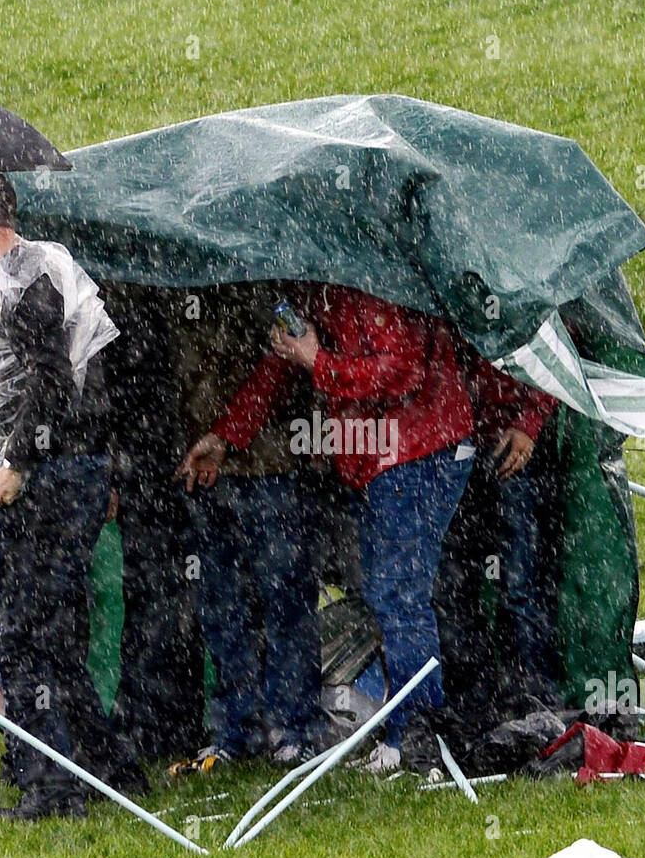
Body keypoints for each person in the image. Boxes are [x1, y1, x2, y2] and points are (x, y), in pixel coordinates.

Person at [0, 167, 147, 821]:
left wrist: (15, 462)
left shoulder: (23, 279)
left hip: (43, 480)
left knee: (22, 637)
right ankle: (107, 768)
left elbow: (51, 380)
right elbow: (8, 350)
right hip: (64, 472)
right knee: (53, 633)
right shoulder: (20, 274)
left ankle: (51, 788)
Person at [178, 283, 475, 771]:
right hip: (384, 454)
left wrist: (318, 361)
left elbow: (400, 371)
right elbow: (281, 364)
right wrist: (229, 434)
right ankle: (412, 732)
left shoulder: (372, 281)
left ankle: (416, 739)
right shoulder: (317, 283)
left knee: (398, 595)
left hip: (419, 449)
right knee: (393, 594)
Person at [170, 283, 321, 771]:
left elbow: (281, 367)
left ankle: (291, 725)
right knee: (221, 604)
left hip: (270, 464)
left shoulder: (269, 269)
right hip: (205, 465)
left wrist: (228, 435)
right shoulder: (178, 272)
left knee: (284, 599)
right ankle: (238, 728)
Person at [434, 345, 561, 717]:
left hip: (508, 445)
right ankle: (474, 705)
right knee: (455, 586)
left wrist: (528, 422)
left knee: (519, 587)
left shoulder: (522, 294)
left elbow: (551, 351)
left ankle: (534, 706)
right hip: (456, 445)